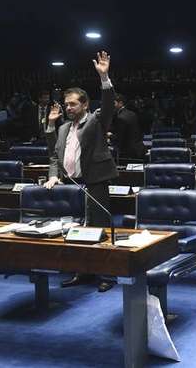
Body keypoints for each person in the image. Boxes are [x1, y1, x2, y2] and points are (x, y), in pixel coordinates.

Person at [43, 51, 119, 293]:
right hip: (72, 184)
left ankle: (108, 273)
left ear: (85, 104)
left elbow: (107, 108)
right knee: (77, 229)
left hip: (94, 182)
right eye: (66, 104)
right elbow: (54, 154)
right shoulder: (64, 127)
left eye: (73, 103)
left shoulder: (96, 121)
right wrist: (54, 174)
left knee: (99, 228)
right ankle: (82, 271)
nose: (68, 107)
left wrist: (104, 79)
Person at [111, 93, 145, 161]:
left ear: (120, 103)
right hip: (139, 149)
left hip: (128, 153)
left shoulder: (120, 117)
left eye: (113, 103)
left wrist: (110, 136)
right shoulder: (132, 113)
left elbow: (119, 138)